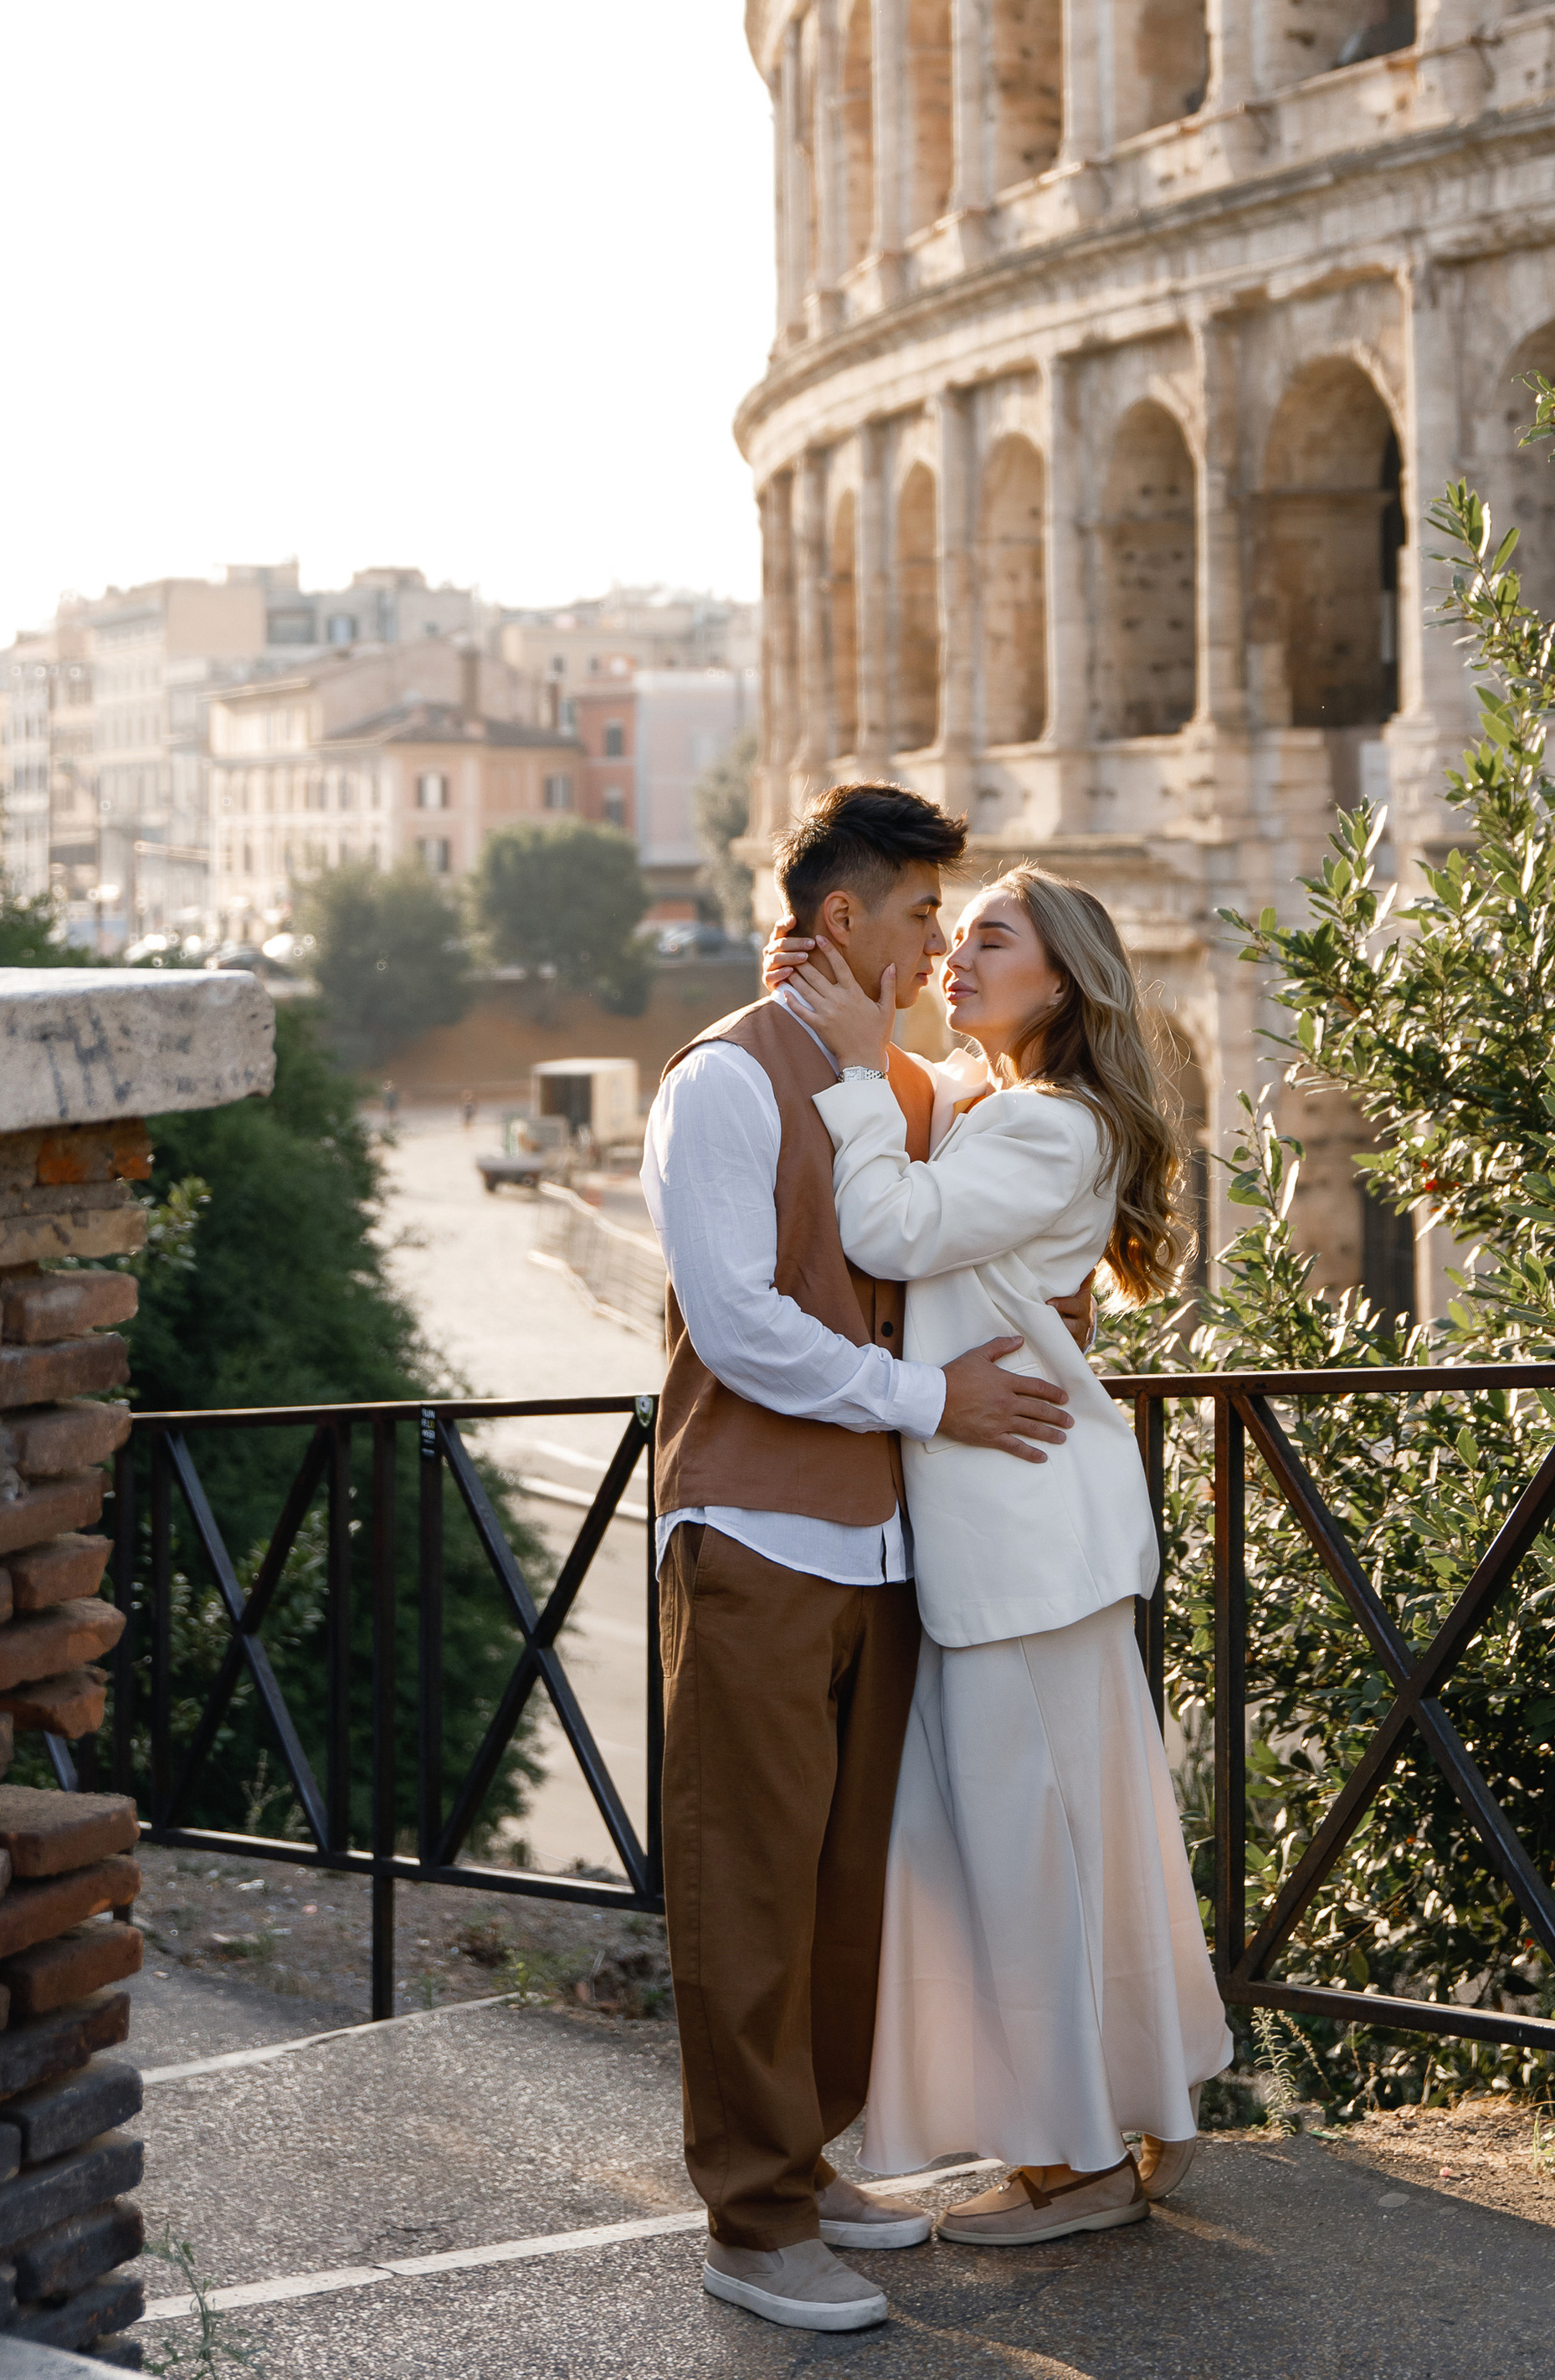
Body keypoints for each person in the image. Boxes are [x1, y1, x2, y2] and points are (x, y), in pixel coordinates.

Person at [642, 782, 1084, 2336]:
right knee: (744, 1887)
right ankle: (752, 2227)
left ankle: (806, 2159)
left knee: (841, 1890)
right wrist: (930, 1398)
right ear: (845, 921)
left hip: (886, 1544)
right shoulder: (722, 1081)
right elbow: (743, 1319)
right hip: (755, 1532)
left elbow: (950, 1249)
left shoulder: (886, 1084)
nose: (936, 944)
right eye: (917, 915)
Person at [777, 864, 1233, 2246]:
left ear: (1066, 978)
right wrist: (864, 1021)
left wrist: (858, 1064)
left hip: (1021, 1541)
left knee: (1022, 1860)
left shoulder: (1048, 1124)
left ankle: (1081, 2170)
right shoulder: (1013, 1108)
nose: (958, 955)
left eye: (989, 937)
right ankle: (1095, 2134)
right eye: (950, 932)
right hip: (1023, 1539)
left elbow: (889, 1227)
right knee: (1055, 1849)